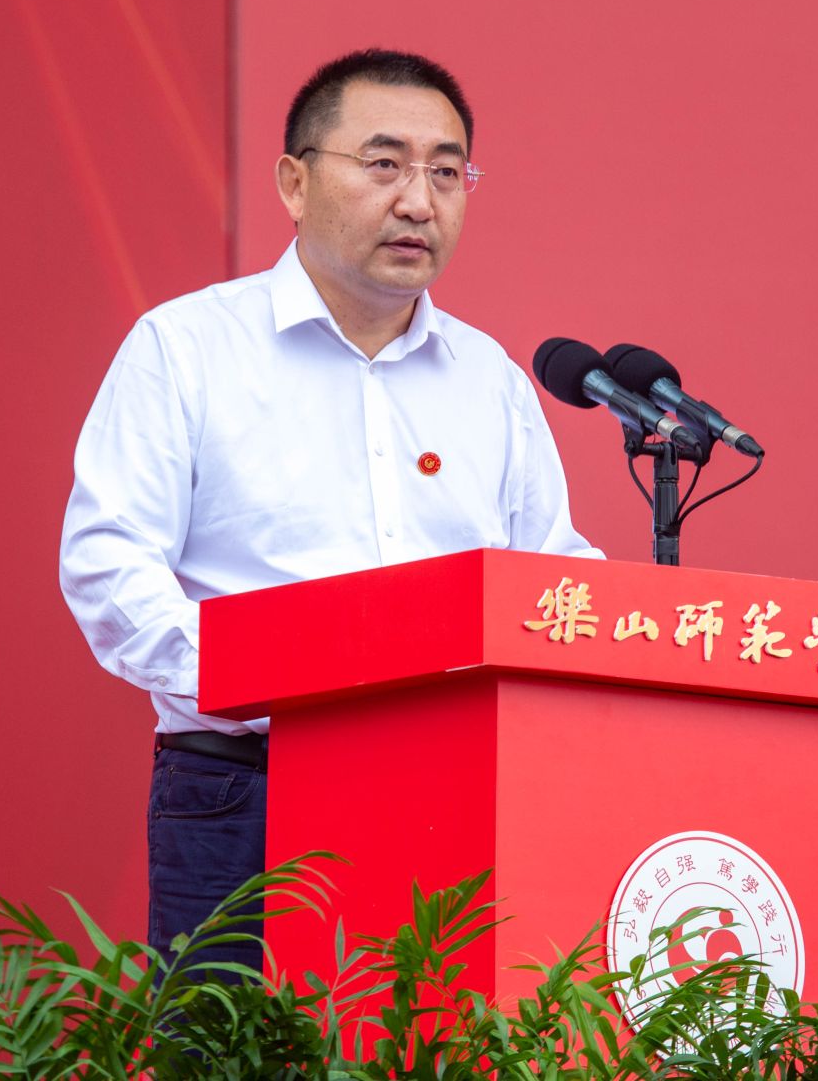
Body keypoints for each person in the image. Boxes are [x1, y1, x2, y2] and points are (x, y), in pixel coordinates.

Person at [59, 48, 599, 970]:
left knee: (447, 1039)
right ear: (295, 182)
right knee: (233, 1043)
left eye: (446, 172)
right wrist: (284, 680)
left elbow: (550, 580)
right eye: (384, 164)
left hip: (457, 789)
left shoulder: (490, 380)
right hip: (249, 787)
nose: (418, 201)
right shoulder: (188, 348)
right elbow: (110, 569)